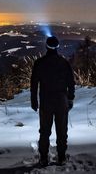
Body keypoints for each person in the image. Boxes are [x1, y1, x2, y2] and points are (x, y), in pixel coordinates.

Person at [30, 36, 75, 167]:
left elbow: (34, 84)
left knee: (44, 131)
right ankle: (61, 157)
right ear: (57, 46)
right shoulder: (64, 63)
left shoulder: (39, 63)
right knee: (62, 130)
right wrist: (70, 99)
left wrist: (34, 101)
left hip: (46, 102)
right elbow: (71, 83)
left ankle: (43, 158)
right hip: (61, 101)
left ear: (46, 46)